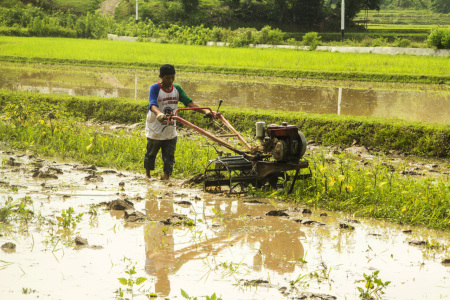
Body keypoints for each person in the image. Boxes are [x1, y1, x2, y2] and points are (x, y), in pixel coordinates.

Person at [144, 64, 211, 180]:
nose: (170, 81)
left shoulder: (177, 88)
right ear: (160, 76)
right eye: (167, 78)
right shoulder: (155, 88)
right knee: (151, 153)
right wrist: (158, 113)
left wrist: (205, 112)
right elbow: (152, 104)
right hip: (155, 126)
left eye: (172, 77)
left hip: (170, 126)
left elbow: (189, 102)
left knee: (169, 155)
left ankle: (166, 177)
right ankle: (147, 175)